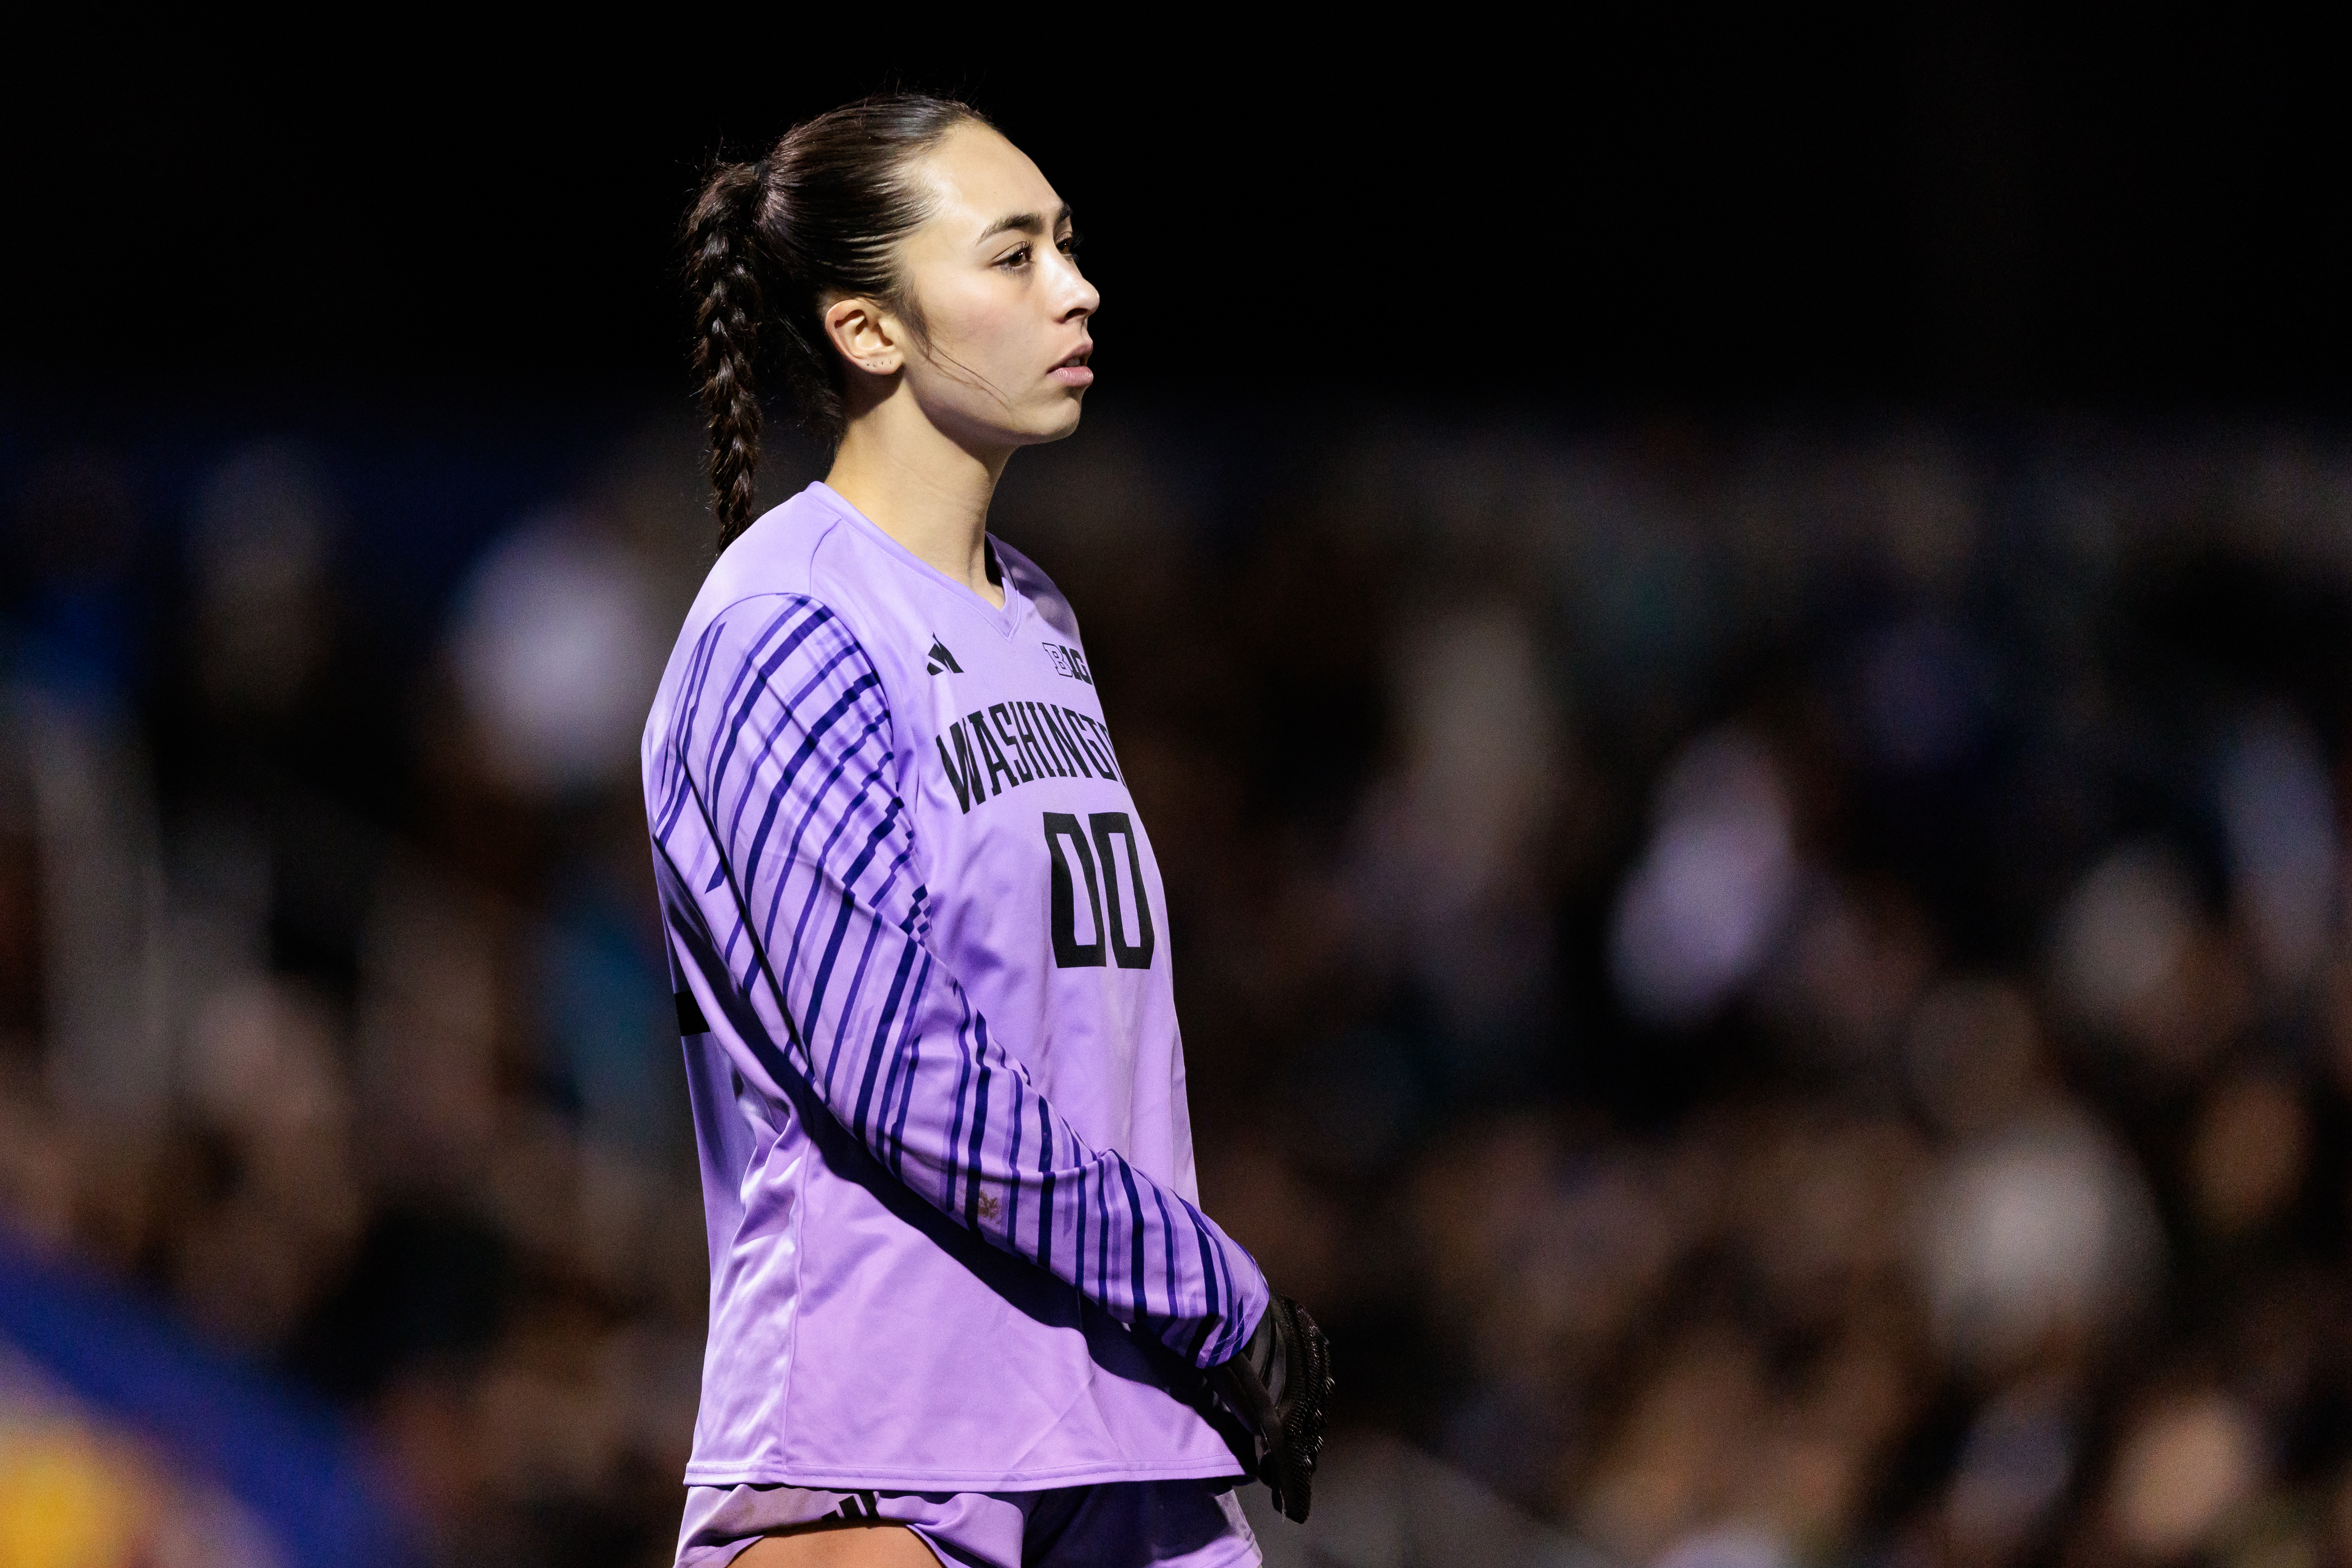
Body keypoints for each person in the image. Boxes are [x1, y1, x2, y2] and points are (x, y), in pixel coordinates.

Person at [644, 94, 1332, 1568]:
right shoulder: (785, 625)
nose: (1076, 290)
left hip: (1118, 1429)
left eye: (1067, 248)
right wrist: (1209, 1292)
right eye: (1012, 256)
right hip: (881, 1455)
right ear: (867, 330)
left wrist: (1179, 1319)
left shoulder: (1040, 617)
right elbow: (902, 1071)